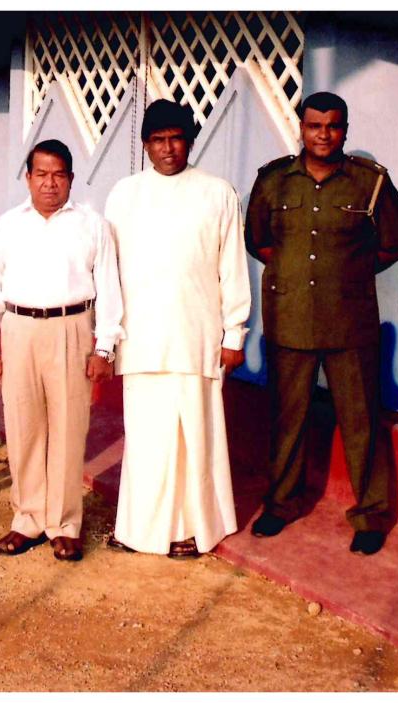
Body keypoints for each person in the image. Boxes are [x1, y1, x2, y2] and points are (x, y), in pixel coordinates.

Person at [245, 91, 398, 555]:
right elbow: (257, 241)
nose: (323, 134)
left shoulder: (370, 183)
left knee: (362, 423)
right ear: (301, 127)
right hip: (290, 318)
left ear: (345, 130)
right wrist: (299, 274)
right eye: (315, 125)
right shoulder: (273, 181)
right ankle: (281, 504)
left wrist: (347, 274)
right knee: (287, 418)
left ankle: (372, 515)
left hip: (350, 320)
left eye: (333, 126)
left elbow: (394, 244)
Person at [104, 100, 251, 559]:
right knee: (146, 438)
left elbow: (233, 267)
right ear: (146, 145)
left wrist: (234, 334)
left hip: (197, 335)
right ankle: (139, 529)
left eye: (177, 138)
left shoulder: (217, 193)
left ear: (190, 141)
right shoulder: (124, 194)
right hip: (141, 338)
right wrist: (106, 336)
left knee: (195, 438)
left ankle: (195, 527)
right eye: (158, 140)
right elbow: (108, 272)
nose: (169, 148)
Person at [0, 139, 123, 562]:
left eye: (59, 174)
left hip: (72, 327)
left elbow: (109, 290)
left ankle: (64, 523)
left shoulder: (92, 224)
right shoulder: (7, 225)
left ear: (71, 179)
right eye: (41, 174)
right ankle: (27, 518)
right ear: (28, 177)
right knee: (23, 427)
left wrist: (105, 347)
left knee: (68, 428)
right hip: (19, 328)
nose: (50, 183)